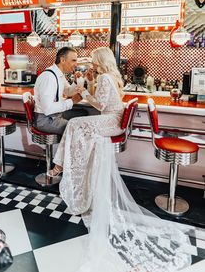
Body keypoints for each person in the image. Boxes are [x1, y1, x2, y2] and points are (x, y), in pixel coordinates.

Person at [49, 47, 193, 272]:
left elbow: (101, 106)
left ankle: (62, 164)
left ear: (99, 61)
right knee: (77, 128)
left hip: (111, 121)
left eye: (93, 61)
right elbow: (106, 101)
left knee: (75, 125)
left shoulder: (105, 77)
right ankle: (66, 163)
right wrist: (87, 83)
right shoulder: (110, 77)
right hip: (113, 121)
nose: (91, 64)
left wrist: (83, 91)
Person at [33, 46, 85, 136]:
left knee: (83, 114)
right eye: (73, 60)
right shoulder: (49, 77)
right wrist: (72, 101)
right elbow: (48, 109)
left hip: (55, 115)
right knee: (79, 129)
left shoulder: (58, 74)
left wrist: (76, 81)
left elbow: (68, 91)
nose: (76, 64)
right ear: (63, 60)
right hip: (45, 120)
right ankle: (66, 150)